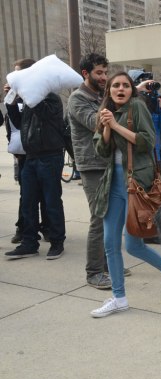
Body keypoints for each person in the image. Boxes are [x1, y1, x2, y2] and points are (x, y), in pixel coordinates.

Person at [90, 72, 161, 318]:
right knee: (111, 243)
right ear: (109, 90)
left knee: (133, 246)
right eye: (115, 85)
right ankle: (119, 298)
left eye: (125, 85)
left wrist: (116, 125)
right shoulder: (105, 113)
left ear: (132, 90)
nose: (121, 89)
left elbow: (148, 141)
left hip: (136, 184)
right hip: (113, 184)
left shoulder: (137, 108)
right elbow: (101, 150)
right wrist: (107, 127)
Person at [5, 58, 66, 261]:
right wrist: (12, 102)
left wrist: (27, 94)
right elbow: (18, 123)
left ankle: (57, 242)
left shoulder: (51, 98)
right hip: (30, 156)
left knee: (51, 201)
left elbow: (46, 114)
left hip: (50, 155)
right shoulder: (29, 99)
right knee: (28, 202)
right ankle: (29, 242)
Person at [67, 53, 114, 288]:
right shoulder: (78, 98)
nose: (104, 77)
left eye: (106, 72)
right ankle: (94, 272)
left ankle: (108, 264)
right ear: (86, 74)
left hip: (107, 162)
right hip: (91, 165)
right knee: (98, 217)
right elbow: (95, 122)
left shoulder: (100, 96)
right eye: (99, 73)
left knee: (111, 216)